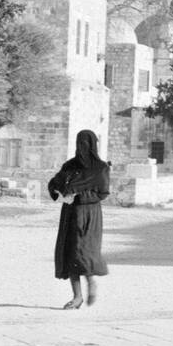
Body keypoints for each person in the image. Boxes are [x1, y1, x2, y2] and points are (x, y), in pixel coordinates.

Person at [47, 129, 111, 309]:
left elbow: (103, 193)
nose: (82, 147)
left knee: (84, 252)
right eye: (79, 143)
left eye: (85, 143)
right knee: (69, 252)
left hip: (89, 214)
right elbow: (55, 182)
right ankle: (77, 296)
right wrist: (58, 191)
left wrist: (80, 195)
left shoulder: (100, 168)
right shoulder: (70, 166)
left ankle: (90, 281)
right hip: (70, 213)